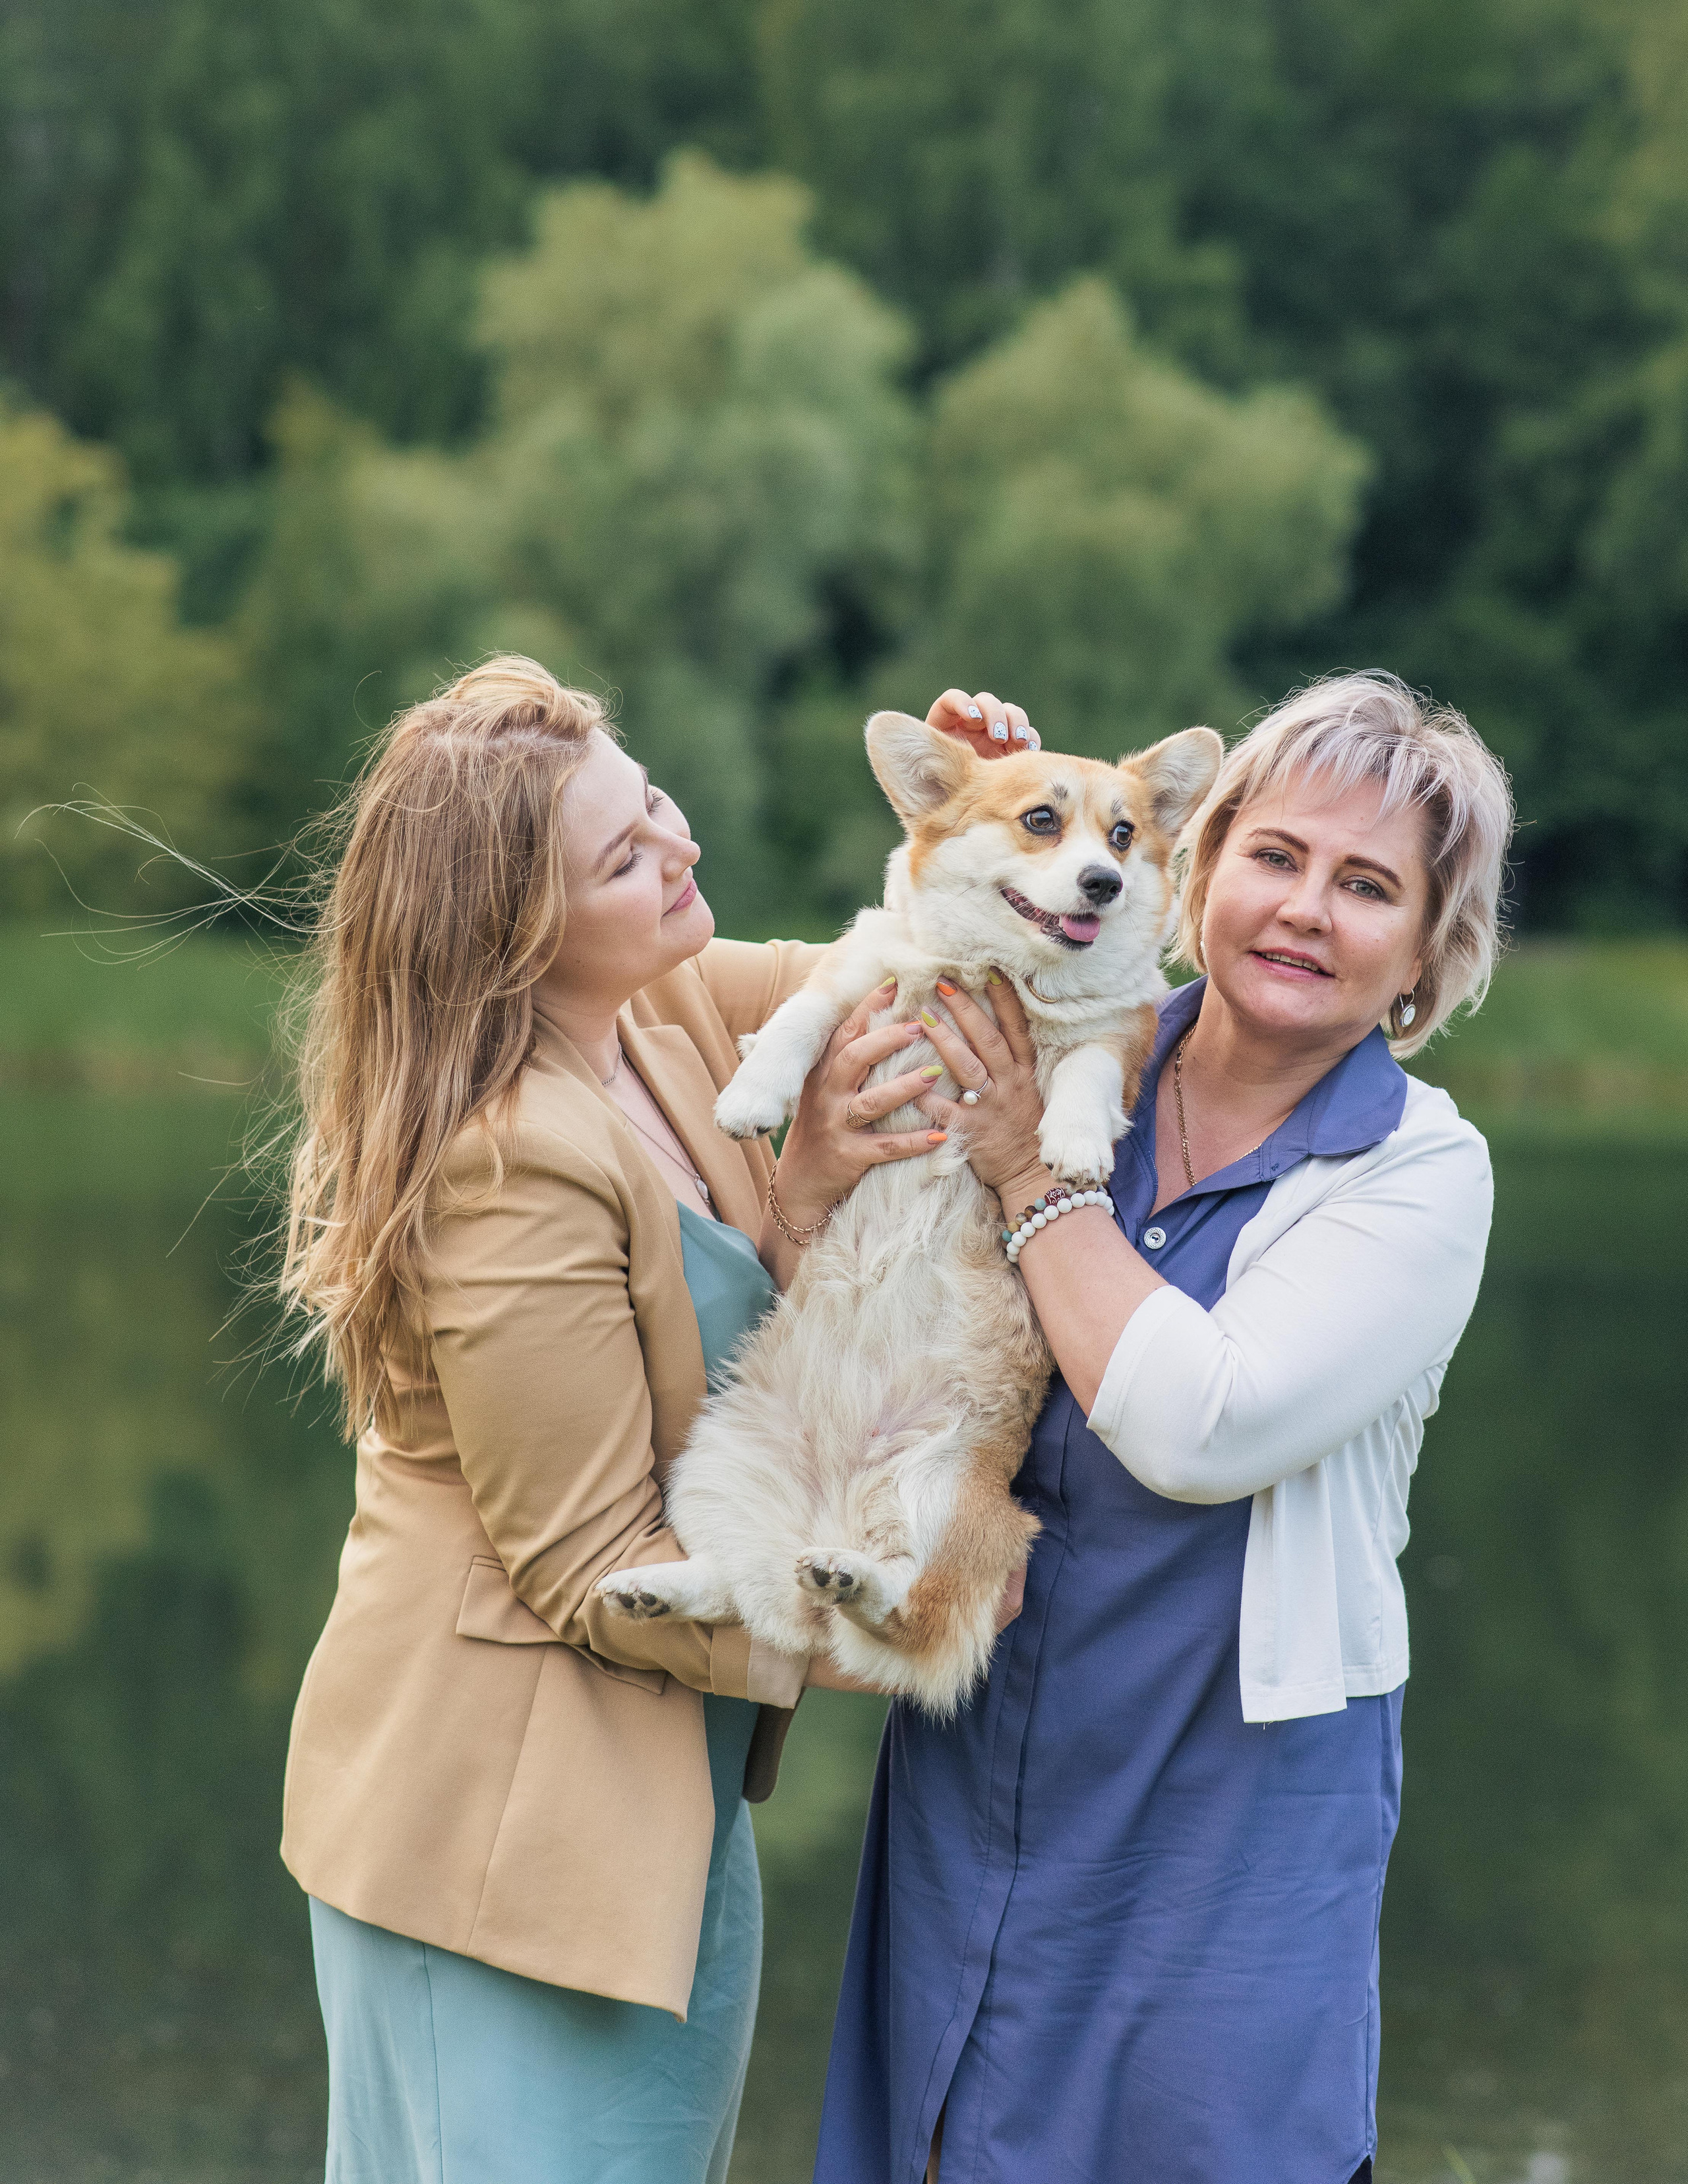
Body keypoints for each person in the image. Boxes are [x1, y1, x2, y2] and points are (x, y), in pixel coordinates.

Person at [276, 655, 1037, 2183]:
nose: (679, 850)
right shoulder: (507, 1164)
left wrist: (993, 826)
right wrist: (897, 1624)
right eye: (623, 857)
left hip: (662, 1802)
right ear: (513, 931)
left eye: (655, 805)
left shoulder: (664, 1000)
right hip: (502, 1836)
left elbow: (950, 977)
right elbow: (591, 1564)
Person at [814, 671, 1515, 2184]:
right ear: (1194, 862)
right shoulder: (1069, 1050)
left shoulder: (1413, 1174)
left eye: (1367, 886)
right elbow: (890, 950)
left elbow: (1197, 1426)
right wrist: (996, 804)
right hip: (980, 1783)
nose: (1304, 911)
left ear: (1421, 951)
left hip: (1224, 1832)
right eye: (1274, 856)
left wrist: (1031, 1178)